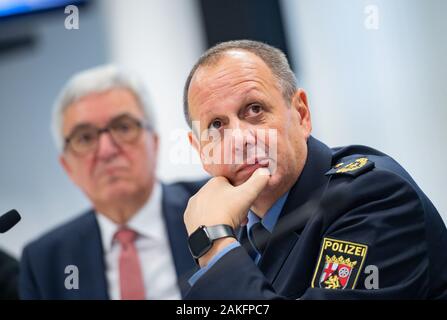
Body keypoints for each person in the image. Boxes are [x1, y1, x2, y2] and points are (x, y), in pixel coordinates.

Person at [181, 40, 447, 299]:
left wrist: (214, 245)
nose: (240, 140)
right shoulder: (238, 228)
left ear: (301, 114)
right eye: (216, 125)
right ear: (201, 151)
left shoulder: (374, 197)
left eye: (254, 109)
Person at [19, 65, 203, 299]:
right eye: (85, 138)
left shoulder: (217, 207)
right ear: (67, 167)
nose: (106, 151)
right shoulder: (45, 262)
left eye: (123, 127)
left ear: (154, 143)